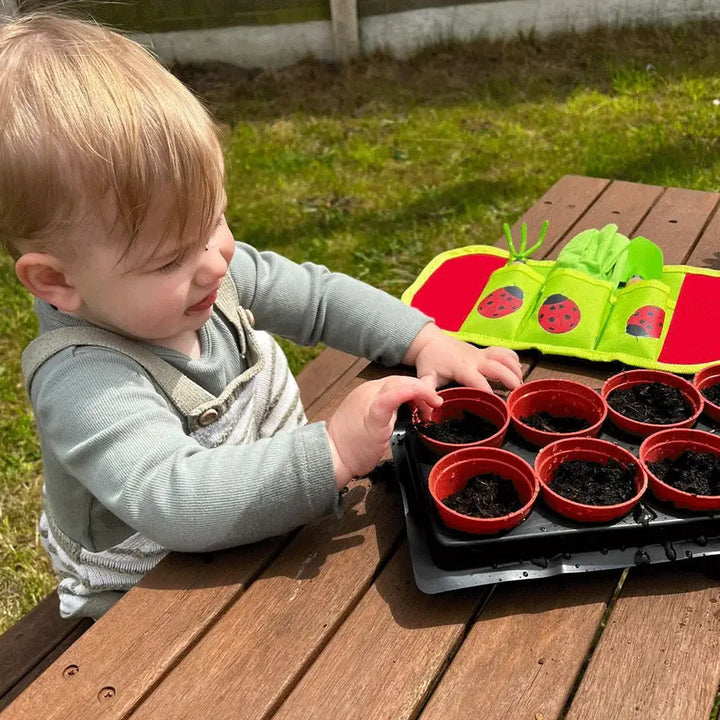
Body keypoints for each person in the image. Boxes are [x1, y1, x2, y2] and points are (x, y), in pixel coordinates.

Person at [0, 12, 522, 619]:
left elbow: (317, 297)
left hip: (262, 529)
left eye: (216, 218)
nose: (216, 260)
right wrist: (332, 449)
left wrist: (420, 337)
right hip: (150, 595)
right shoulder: (84, 379)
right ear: (57, 280)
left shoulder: (200, 271)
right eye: (171, 256)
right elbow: (174, 498)